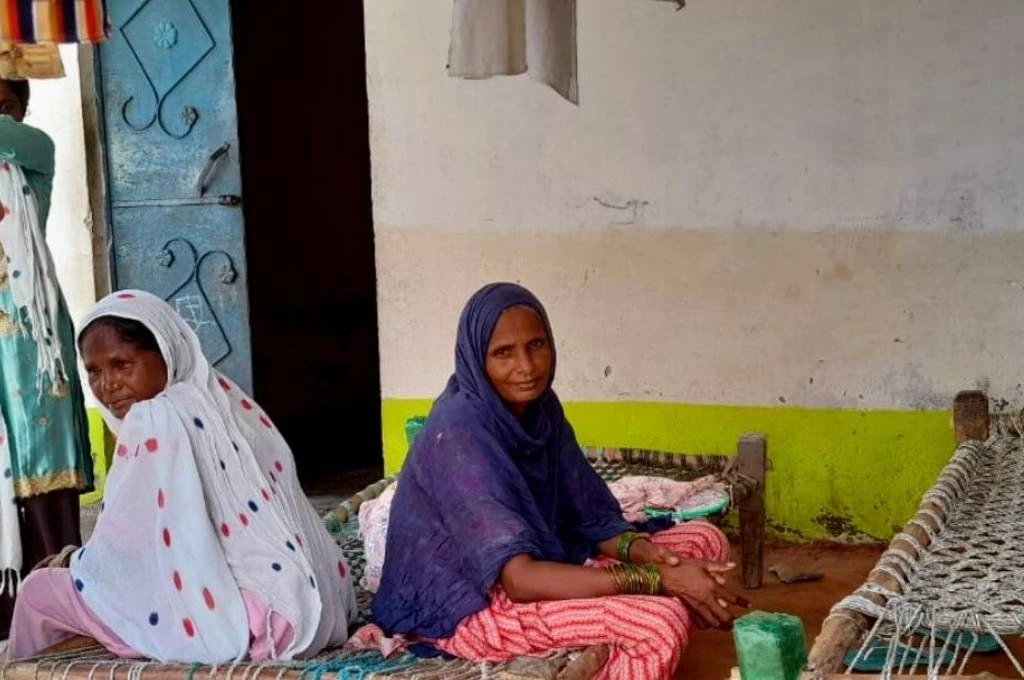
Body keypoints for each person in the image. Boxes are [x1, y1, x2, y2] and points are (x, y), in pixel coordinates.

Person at [372, 282, 749, 680]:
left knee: (703, 541)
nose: (527, 367)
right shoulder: (460, 432)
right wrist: (660, 579)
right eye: (503, 353)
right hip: (470, 603)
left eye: (536, 345)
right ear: (476, 360)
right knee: (658, 621)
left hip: (547, 558)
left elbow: (590, 519)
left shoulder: (541, 409)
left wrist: (646, 554)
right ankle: (639, 651)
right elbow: (518, 580)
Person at [7, 290, 357, 663]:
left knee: (39, 594)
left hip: (256, 622)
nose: (107, 385)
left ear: (165, 353)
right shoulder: (223, 397)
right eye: (93, 371)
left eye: (122, 365)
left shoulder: (154, 418)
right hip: (310, 605)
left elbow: (127, 543)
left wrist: (71, 562)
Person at [0, 77, 93, 639]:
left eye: (6, 106)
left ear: (23, 111)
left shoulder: (34, 150)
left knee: (39, 449)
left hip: (28, 327)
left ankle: (54, 598)